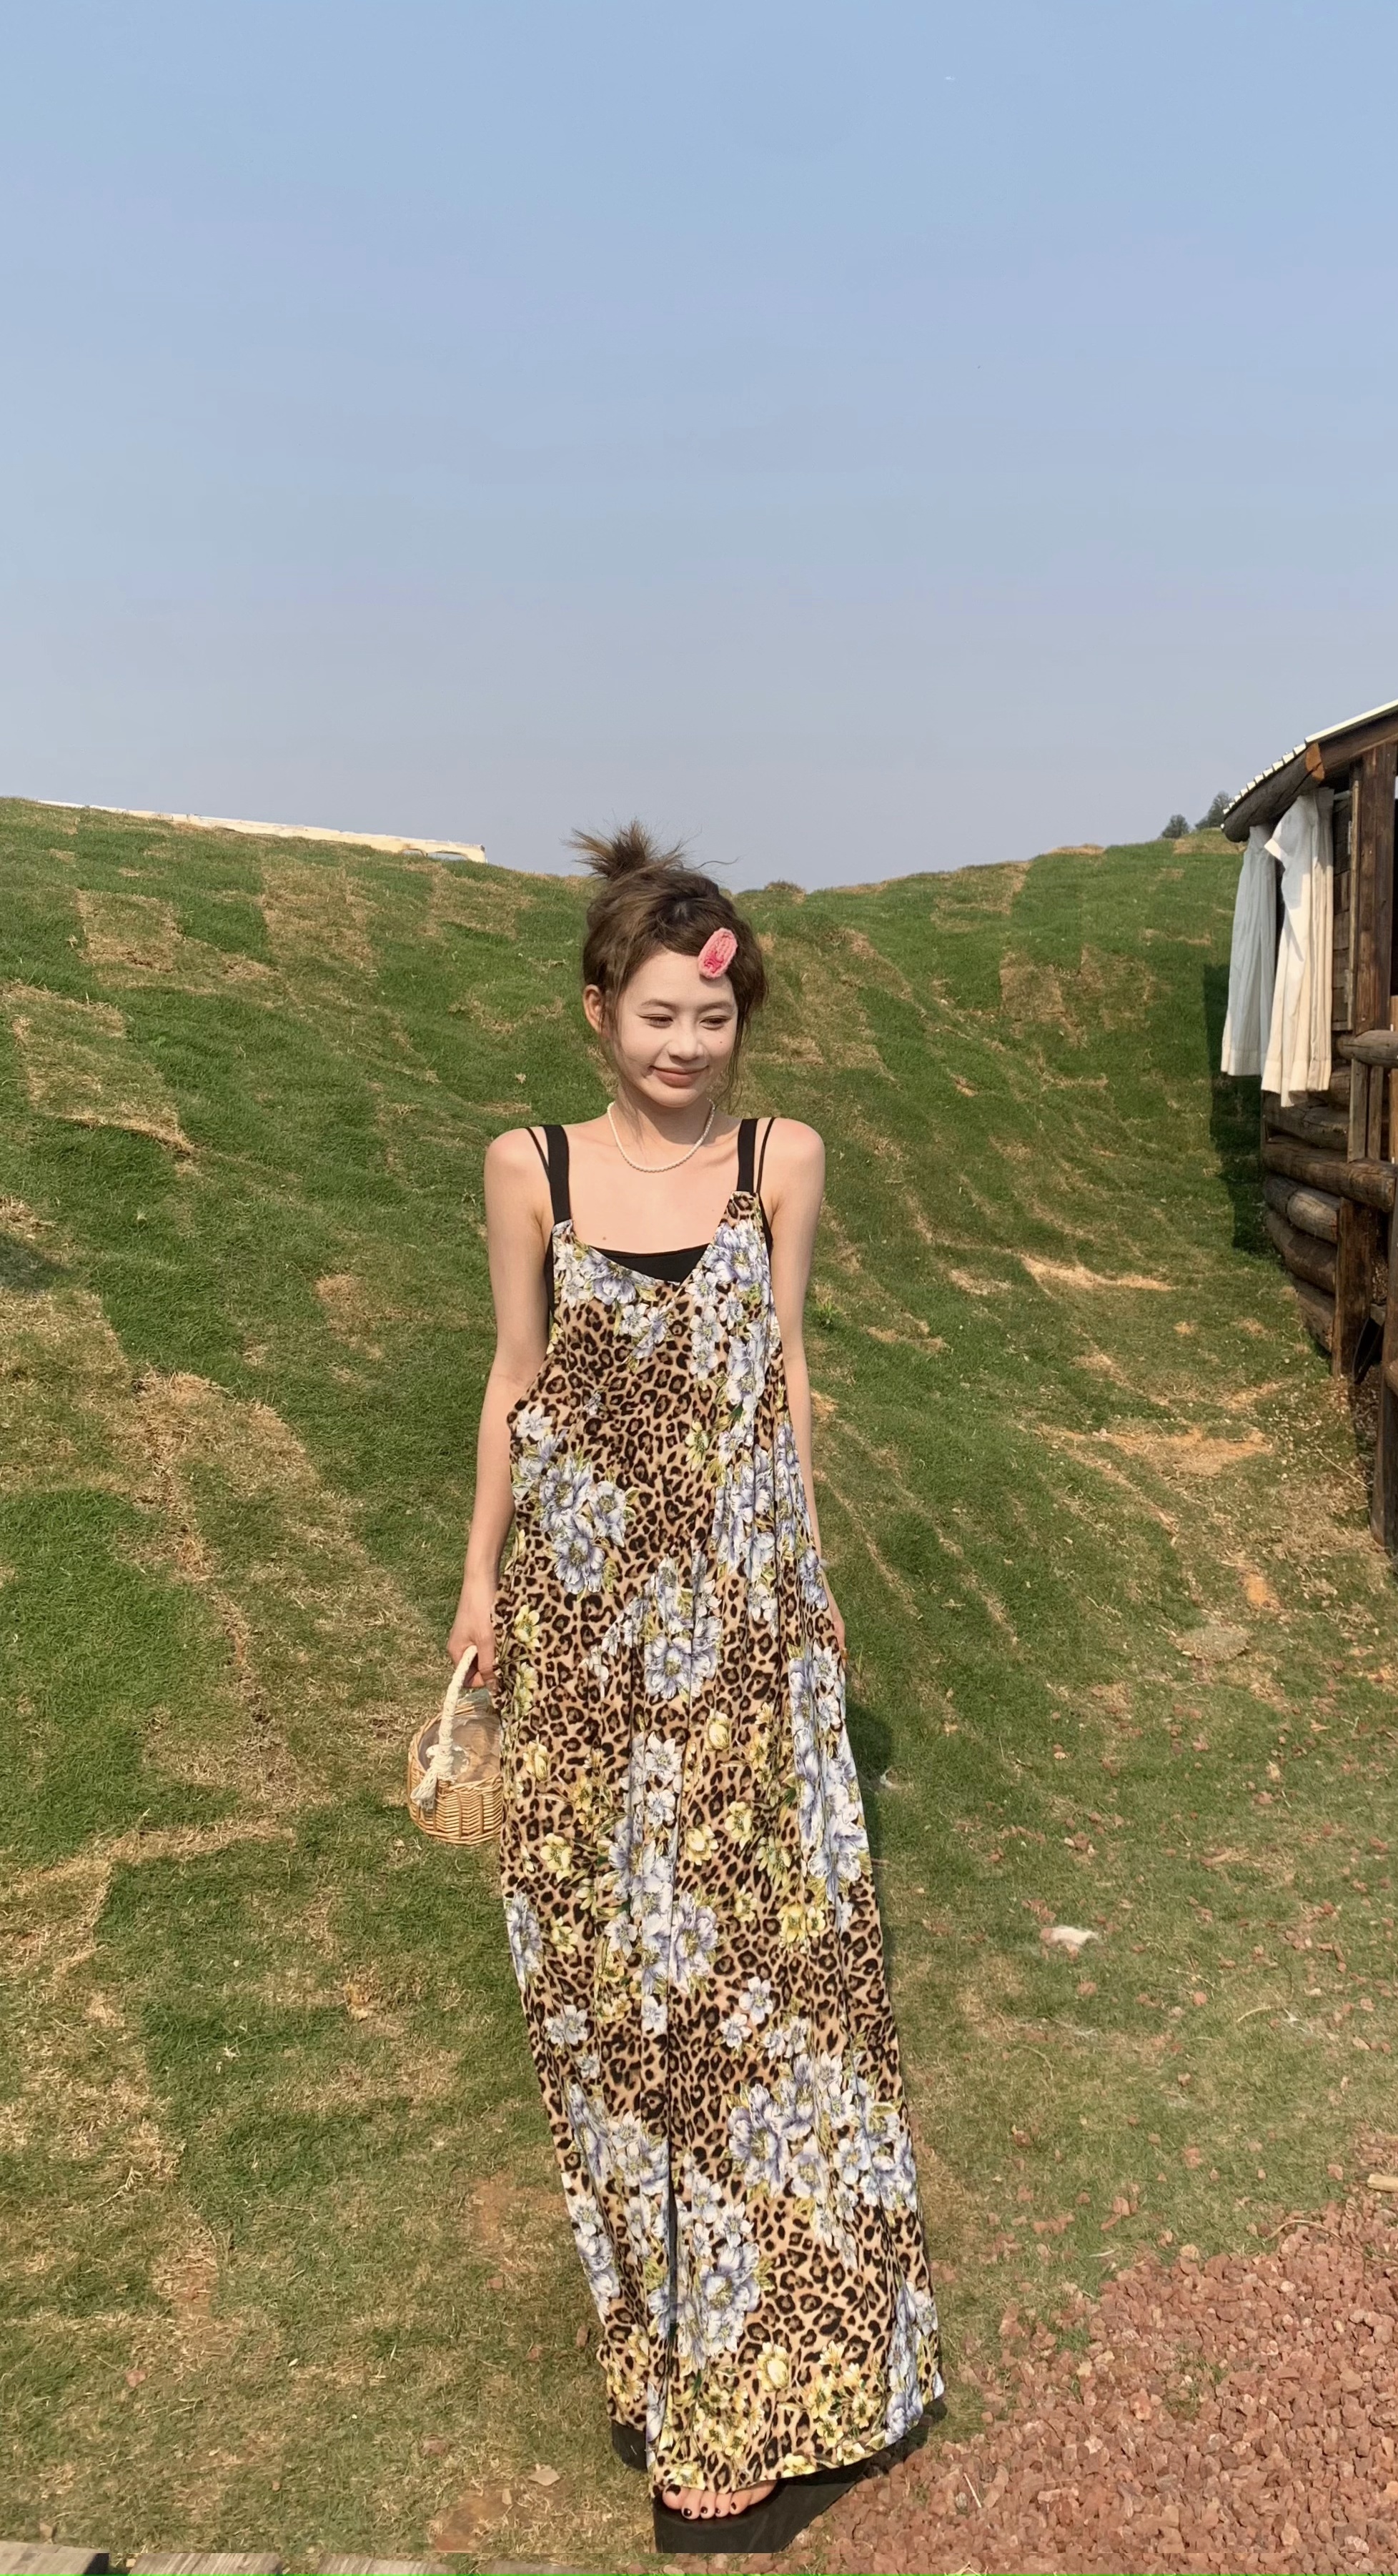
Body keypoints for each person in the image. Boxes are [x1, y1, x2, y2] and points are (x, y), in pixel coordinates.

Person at [447, 825, 942, 2544]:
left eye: (711, 1020)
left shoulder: (778, 1161)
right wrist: (477, 1592)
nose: (684, 1046)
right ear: (598, 1011)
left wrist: (809, 1583)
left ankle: (770, 2389)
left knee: (762, 1999)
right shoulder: (527, 1168)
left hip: (739, 1639)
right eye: (656, 1015)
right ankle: (663, 2342)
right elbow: (515, 1377)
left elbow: (783, 1369)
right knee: (607, 1998)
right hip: (584, 1638)